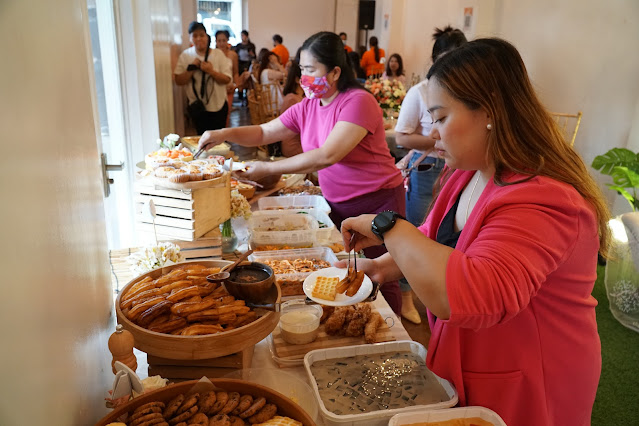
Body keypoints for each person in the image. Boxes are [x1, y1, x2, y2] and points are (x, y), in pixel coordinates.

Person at [338, 38, 610, 426]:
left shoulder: (544, 199)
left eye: (440, 117)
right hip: (471, 358)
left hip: (529, 377)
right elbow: (435, 238)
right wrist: (381, 266)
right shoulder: (468, 173)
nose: (433, 133)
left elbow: (471, 292)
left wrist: (388, 226)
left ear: (489, 111)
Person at [198, 31, 405, 314]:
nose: (303, 77)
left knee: (381, 273)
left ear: (335, 72)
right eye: (301, 70)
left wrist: (267, 168)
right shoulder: (308, 106)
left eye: (310, 70)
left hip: (377, 200)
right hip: (336, 204)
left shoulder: (358, 101)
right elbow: (264, 132)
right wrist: (223, 133)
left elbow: (327, 155)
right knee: (346, 268)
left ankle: (391, 324)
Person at [394, 26, 467, 323]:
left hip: (459, 167)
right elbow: (401, 137)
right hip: (428, 168)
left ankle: (436, 293)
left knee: (446, 234)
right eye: (447, 59)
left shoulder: (465, 93)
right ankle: (406, 296)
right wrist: (440, 140)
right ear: (435, 60)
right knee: (417, 229)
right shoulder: (420, 92)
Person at [174, 22, 232, 134]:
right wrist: (191, 69)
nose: (199, 39)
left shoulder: (218, 54)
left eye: (202, 35)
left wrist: (211, 71)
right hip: (197, 107)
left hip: (218, 105)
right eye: (195, 36)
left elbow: (227, 80)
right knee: (201, 139)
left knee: (219, 138)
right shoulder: (186, 55)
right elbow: (178, 81)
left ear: (207, 36)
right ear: (190, 38)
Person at [215, 30, 246, 127]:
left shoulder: (233, 55)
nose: (221, 43)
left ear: (227, 40)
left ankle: (224, 133)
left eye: (223, 40)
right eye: (219, 41)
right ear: (216, 41)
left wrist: (236, 85)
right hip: (216, 88)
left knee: (226, 113)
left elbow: (235, 72)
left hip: (229, 88)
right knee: (216, 113)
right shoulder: (213, 54)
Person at [278, 60, 304, 157]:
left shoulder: (300, 97)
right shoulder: (292, 99)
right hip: (294, 146)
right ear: (297, 80)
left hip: (301, 142)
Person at [235, 30, 256, 103]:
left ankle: (247, 98)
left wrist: (251, 54)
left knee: (247, 81)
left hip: (247, 64)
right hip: (240, 65)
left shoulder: (251, 45)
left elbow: (254, 56)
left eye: (243, 36)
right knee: (240, 81)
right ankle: (240, 97)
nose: (242, 37)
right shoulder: (238, 46)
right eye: (241, 36)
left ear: (246, 36)